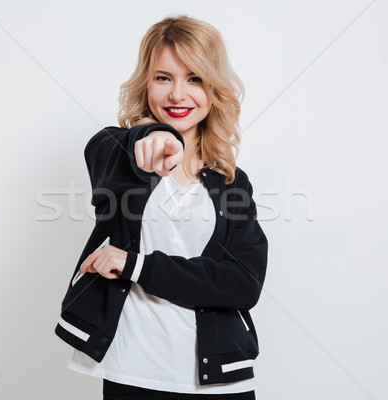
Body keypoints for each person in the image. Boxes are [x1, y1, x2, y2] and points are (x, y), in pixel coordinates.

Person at [55, 15, 268, 400]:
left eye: (195, 78)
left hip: (220, 379)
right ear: (146, 83)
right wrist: (151, 136)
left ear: (213, 88)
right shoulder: (119, 151)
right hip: (133, 374)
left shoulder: (232, 183)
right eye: (163, 78)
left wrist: (136, 265)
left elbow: (243, 283)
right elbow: (105, 159)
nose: (177, 94)